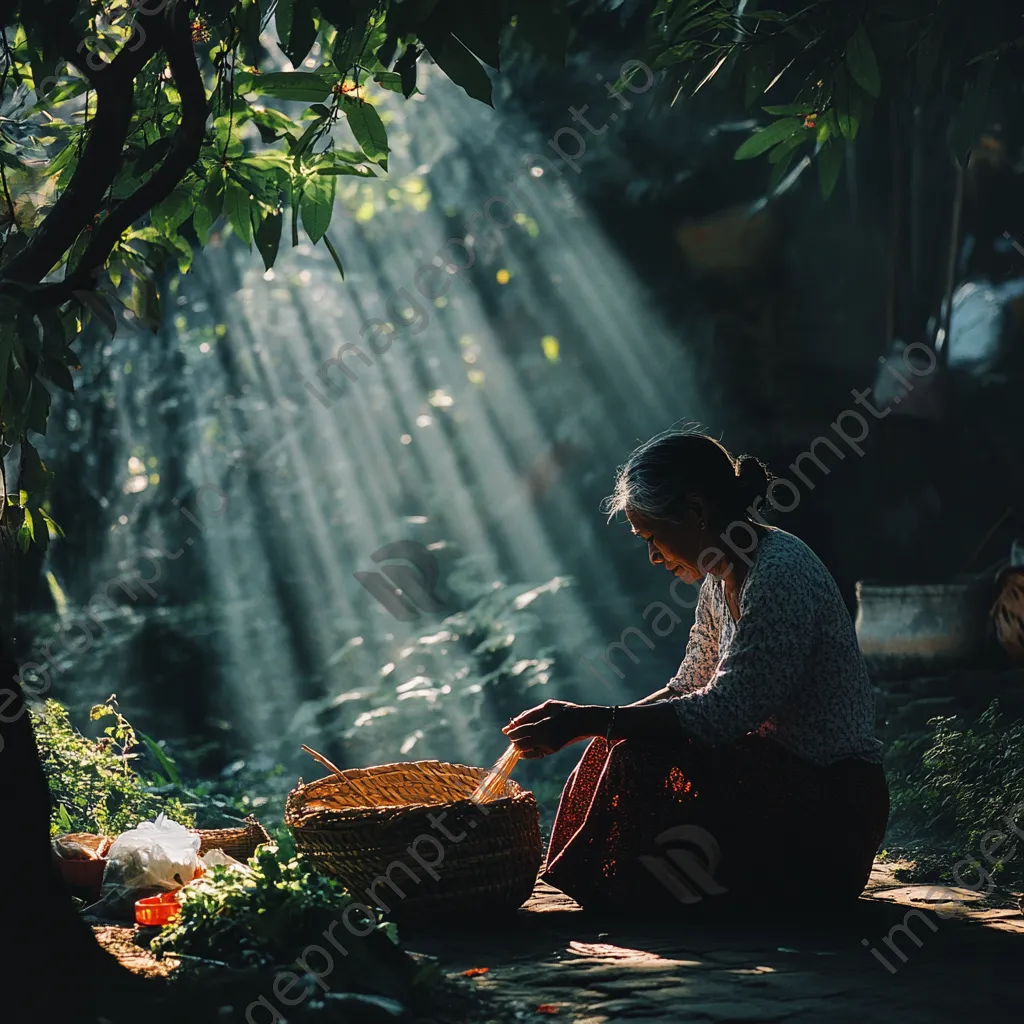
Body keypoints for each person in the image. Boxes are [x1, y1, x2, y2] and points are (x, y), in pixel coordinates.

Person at [504, 431, 889, 913]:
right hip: (771, 783)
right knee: (613, 745)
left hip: (832, 807)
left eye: (652, 538)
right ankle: (654, 885)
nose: (653, 556)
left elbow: (723, 713)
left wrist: (589, 719)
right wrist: (591, 726)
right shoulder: (720, 575)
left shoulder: (779, 573)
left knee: (634, 757)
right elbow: (687, 687)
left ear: (696, 512)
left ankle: (652, 891)